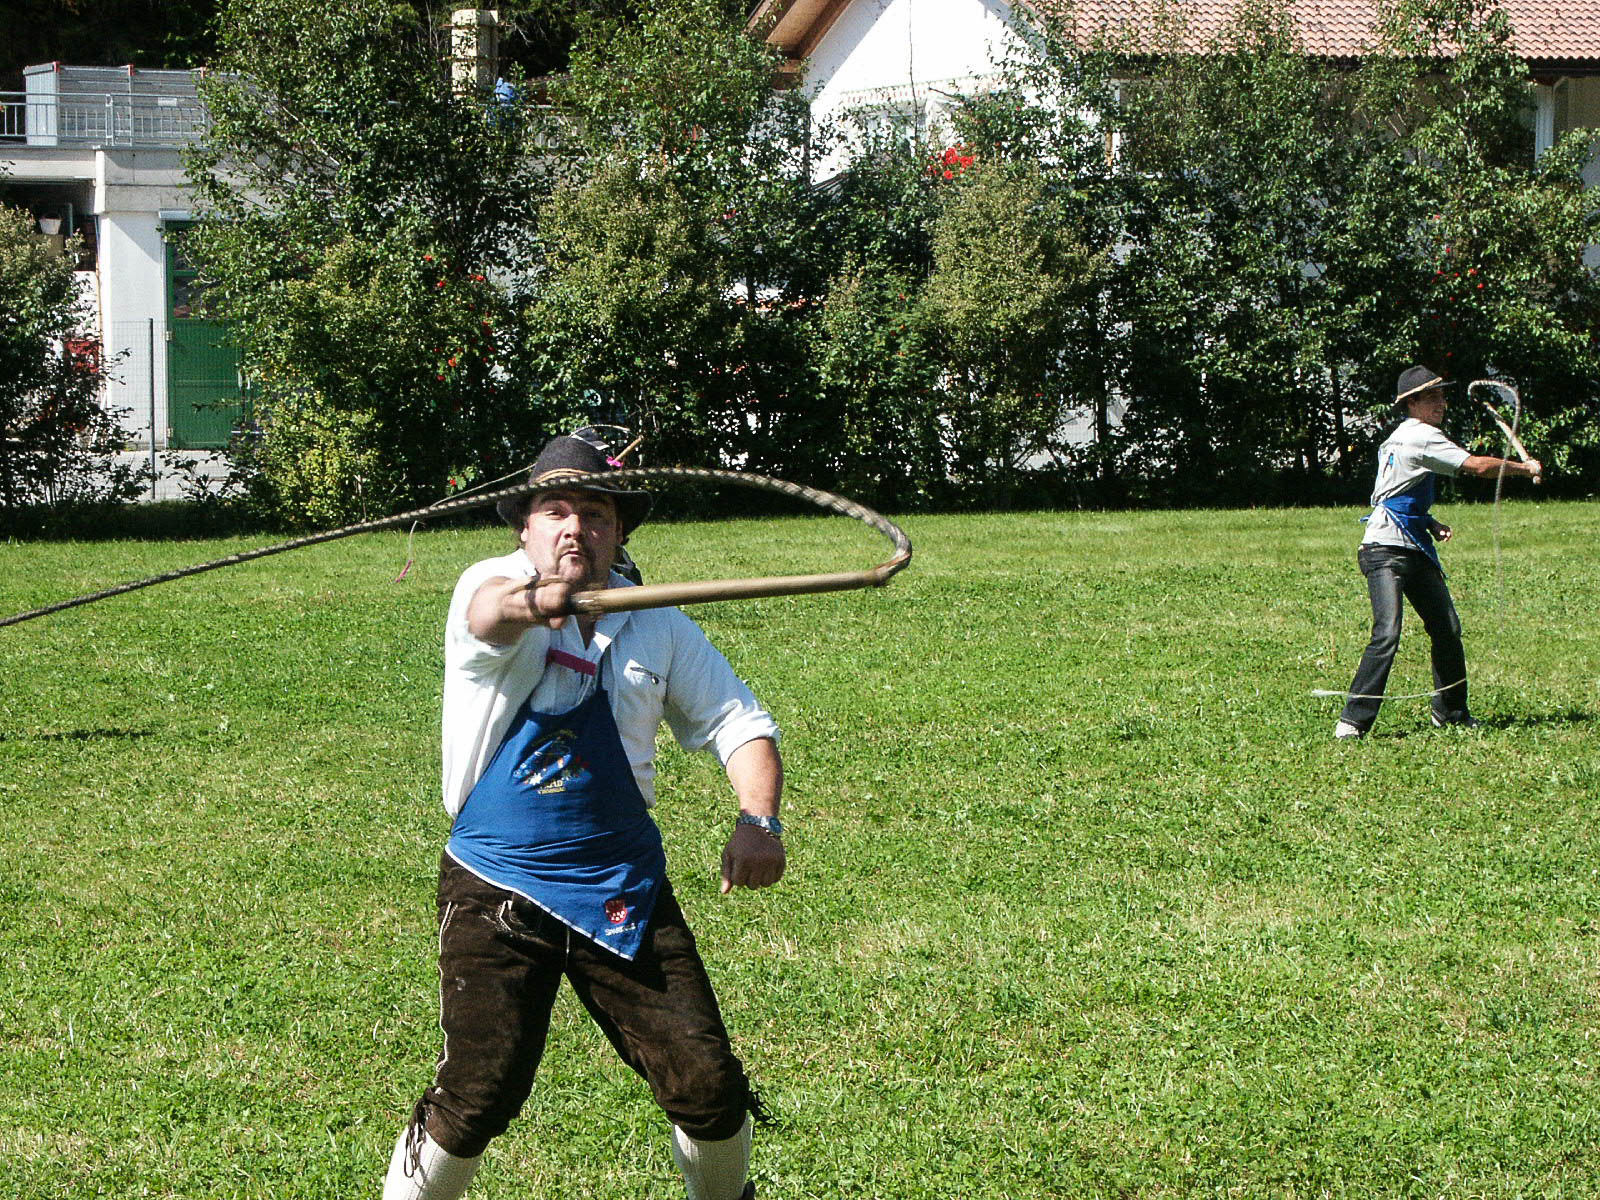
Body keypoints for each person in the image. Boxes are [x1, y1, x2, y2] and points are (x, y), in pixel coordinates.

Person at [382, 434, 786, 1200]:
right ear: (525, 530)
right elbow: (487, 615)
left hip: (620, 886)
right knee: (478, 1096)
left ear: (619, 531)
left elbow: (741, 723)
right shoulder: (493, 583)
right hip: (498, 886)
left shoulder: (658, 623)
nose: (574, 528)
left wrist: (757, 821)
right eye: (555, 511)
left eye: (594, 514)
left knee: (708, 1085)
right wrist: (543, 602)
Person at [1334, 365, 1541, 739]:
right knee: (1387, 634)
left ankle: (1451, 712)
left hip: (1411, 546)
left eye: (1443, 395)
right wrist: (1523, 469)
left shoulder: (1397, 438)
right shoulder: (1421, 436)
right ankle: (1352, 722)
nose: (1442, 403)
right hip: (1384, 551)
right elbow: (1476, 466)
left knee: (1447, 630)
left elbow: (1393, 494)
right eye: (1433, 396)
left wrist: (1428, 522)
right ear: (1412, 402)